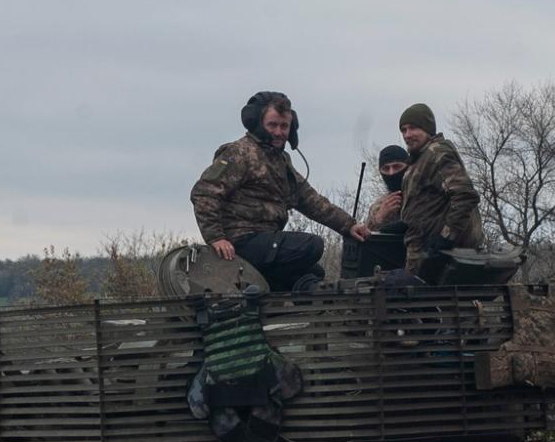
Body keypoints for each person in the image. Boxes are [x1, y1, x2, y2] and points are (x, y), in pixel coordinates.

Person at [190, 91, 370, 292]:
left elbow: (310, 200)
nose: (279, 132)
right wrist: (216, 237)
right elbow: (204, 193)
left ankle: (271, 298)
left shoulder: (281, 161)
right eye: (272, 125)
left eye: (284, 126)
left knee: (313, 273)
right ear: (257, 124)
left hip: (266, 240)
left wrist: (348, 225)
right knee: (312, 246)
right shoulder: (239, 153)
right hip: (241, 241)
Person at [395, 103, 484, 282]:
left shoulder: (437, 153)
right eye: (403, 130)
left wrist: (444, 238)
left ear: (427, 128)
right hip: (420, 253)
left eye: (413, 128)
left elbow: (465, 196)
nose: (407, 135)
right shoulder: (419, 159)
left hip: (437, 257)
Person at [340, 144, 412, 279]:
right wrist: (379, 218)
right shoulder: (378, 206)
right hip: (386, 269)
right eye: (386, 168)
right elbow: (366, 240)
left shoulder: (422, 196)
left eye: (397, 167)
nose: (391, 173)